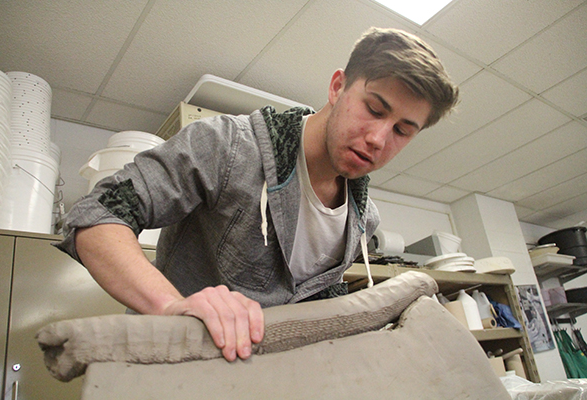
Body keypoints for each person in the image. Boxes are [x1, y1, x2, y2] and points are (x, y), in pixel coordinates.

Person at [56, 27, 459, 362]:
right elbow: (96, 215)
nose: (377, 139)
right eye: (374, 108)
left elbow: (314, 301)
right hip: (173, 370)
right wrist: (171, 306)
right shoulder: (228, 147)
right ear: (338, 87)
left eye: (403, 131)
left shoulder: (363, 219)